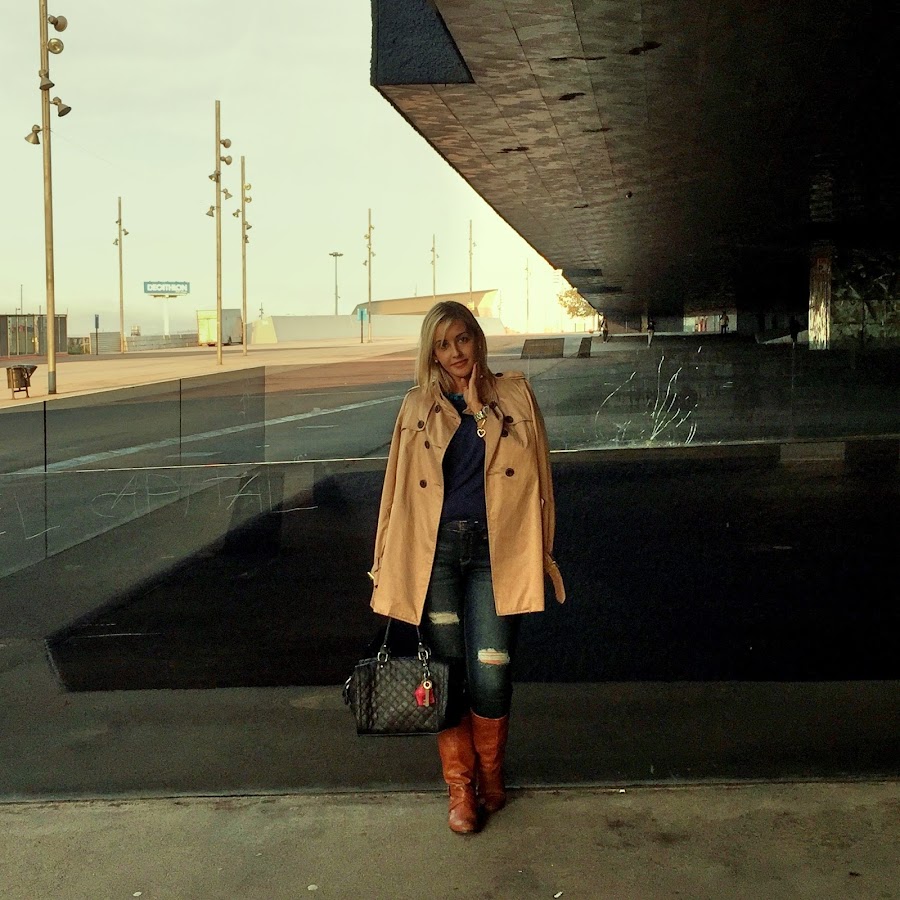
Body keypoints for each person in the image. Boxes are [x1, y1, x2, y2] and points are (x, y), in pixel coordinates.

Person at [368, 300, 565, 834]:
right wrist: (384, 559)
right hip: (434, 556)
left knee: (492, 671)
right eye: (442, 344)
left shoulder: (515, 396)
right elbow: (395, 489)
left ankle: (491, 774)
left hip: (495, 554)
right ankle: (460, 789)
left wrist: (480, 409)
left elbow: (539, 477)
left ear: (477, 338)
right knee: (446, 674)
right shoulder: (416, 406)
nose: (455, 352)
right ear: (431, 353)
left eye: (462, 339)